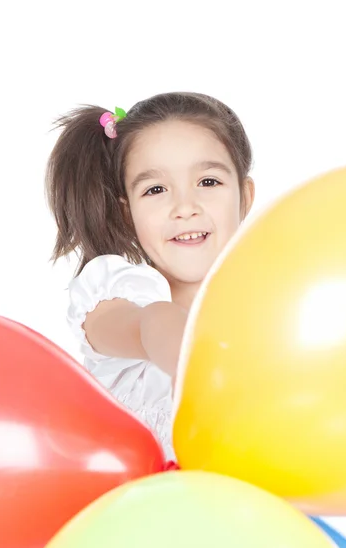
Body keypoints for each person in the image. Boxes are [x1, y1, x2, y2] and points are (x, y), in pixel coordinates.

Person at [47, 92, 255, 457]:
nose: (185, 208)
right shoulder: (116, 294)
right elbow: (151, 323)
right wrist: (191, 364)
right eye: (155, 190)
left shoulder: (266, 309)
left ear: (245, 197)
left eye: (208, 182)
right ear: (127, 214)